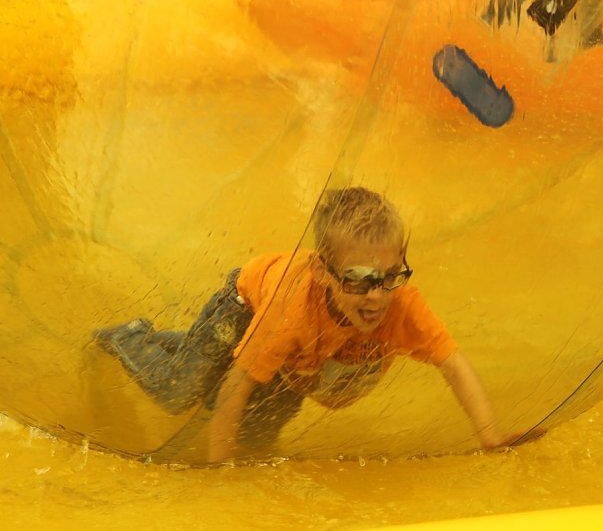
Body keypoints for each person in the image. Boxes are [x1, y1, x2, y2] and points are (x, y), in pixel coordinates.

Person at [95, 186, 524, 463]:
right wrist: (218, 474)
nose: (376, 295)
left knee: (259, 442)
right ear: (323, 272)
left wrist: (491, 438)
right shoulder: (291, 311)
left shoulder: (402, 305)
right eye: (358, 279)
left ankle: (190, 343)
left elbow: (454, 365)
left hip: (301, 360)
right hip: (245, 305)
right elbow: (237, 386)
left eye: (390, 277)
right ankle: (132, 335)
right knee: (182, 388)